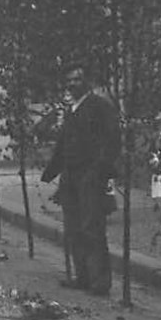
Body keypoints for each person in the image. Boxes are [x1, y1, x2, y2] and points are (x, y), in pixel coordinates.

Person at [42, 77, 122, 296]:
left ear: (86, 84)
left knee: (91, 227)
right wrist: (50, 174)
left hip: (90, 175)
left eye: (77, 81)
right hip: (70, 176)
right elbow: (63, 145)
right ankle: (82, 277)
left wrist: (100, 170)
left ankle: (100, 281)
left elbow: (113, 140)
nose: (70, 88)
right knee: (73, 227)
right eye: (69, 83)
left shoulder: (100, 106)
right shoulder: (72, 110)